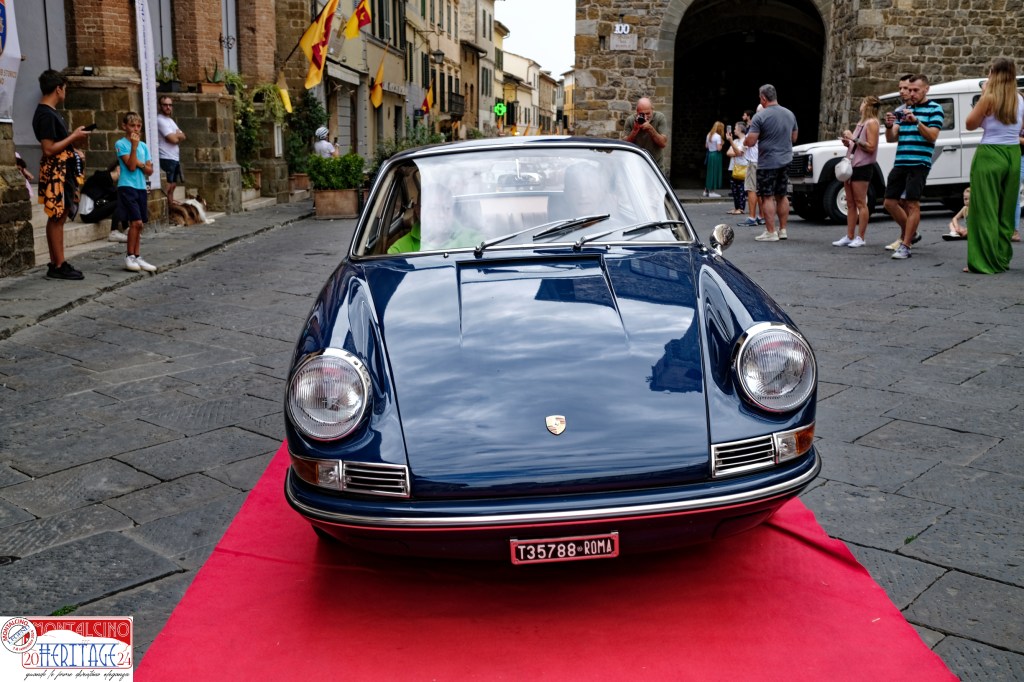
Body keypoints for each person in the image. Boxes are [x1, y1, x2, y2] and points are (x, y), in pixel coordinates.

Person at [963, 57, 1023, 274]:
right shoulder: (1019, 99)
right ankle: (1001, 257)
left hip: (990, 153)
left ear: (994, 74)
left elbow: (969, 124)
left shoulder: (989, 97)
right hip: (1013, 154)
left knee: (984, 208)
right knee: (1006, 208)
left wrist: (983, 95)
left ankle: (984, 261)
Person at [33, 69, 90, 280]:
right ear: (58, 89)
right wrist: (73, 136)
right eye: (64, 88)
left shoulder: (50, 112)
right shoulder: (46, 114)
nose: (65, 92)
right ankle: (58, 264)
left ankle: (58, 262)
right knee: (57, 216)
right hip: (57, 172)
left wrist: (73, 149)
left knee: (60, 216)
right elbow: (48, 148)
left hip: (63, 169)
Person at [882, 74, 944, 260]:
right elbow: (891, 138)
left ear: (926, 89)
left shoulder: (935, 108)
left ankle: (906, 245)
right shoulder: (904, 109)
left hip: (919, 162)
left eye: (916, 90)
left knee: (912, 203)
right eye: (909, 90)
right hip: (901, 161)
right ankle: (912, 233)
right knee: (889, 202)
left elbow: (932, 136)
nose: (911, 93)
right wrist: (888, 125)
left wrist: (916, 121)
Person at [744, 84, 798, 242]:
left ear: (763, 98)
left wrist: (746, 141)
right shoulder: (790, 114)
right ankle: (783, 230)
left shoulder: (760, 117)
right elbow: (794, 138)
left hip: (768, 162)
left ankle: (770, 232)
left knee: (767, 196)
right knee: (782, 195)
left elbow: (751, 141)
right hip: (786, 159)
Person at [833, 95, 881, 248]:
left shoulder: (872, 123)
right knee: (850, 202)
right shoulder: (861, 123)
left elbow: (871, 146)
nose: (860, 105)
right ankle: (849, 235)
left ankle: (861, 237)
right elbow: (858, 145)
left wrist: (853, 139)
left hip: (862, 166)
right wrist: (848, 143)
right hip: (851, 165)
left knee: (861, 202)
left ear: (868, 106)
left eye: (863, 102)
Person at [115, 111, 157, 273]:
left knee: (140, 225)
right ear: (124, 126)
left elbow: (150, 170)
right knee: (136, 222)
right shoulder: (121, 144)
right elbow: (131, 166)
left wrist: (141, 163)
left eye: (139, 126)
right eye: (132, 125)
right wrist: (133, 148)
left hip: (140, 186)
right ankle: (130, 255)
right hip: (127, 185)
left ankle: (137, 255)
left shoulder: (144, 146)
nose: (136, 129)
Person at [623, 97, 668, 170]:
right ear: (637, 112)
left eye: (647, 113)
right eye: (641, 114)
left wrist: (650, 129)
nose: (645, 117)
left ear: (652, 109)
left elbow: (663, 143)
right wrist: (635, 130)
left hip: (656, 166)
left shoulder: (659, 118)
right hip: (636, 165)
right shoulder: (630, 120)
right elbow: (625, 145)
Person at [156, 96, 186, 205]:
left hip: (174, 158)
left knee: (173, 186)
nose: (168, 107)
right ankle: (165, 209)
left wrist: (177, 136)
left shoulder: (170, 120)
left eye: (170, 105)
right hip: (166, 157)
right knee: (167, 186)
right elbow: (173, 139)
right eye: (165, 105)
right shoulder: (159, 120)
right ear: (160, 106)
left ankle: (171, 209)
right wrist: (176, 136)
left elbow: (183, 136)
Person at [724, 122, 748, 214]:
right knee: (734, 189)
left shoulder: (745, 140)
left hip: (742, 167)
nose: (734, 130)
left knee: (741, 189)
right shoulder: (735, 141)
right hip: (733, 167)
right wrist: (736, 152)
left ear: (740, 129)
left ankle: (741, 208)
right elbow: (728, 153)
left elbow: (738, 153)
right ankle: (736, 207)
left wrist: (731, 142)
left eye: (735, 128)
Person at [703, 121, 725, 198]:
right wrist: (722, 144)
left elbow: (706, 146)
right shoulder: (718, 136)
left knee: (710, 173)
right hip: (716, 155)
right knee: (714, 172)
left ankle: (706, 190)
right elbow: (719, 149)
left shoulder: (709, 134)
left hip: (710, 154)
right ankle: (711, 192)